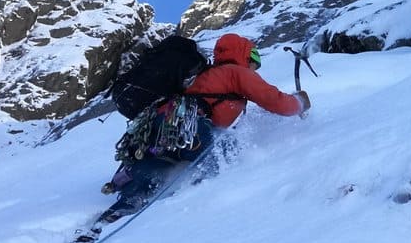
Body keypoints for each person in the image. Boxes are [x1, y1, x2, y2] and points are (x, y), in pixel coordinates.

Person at [102, 33, 309, 214]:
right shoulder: (235, 72)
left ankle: (121, 207)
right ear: (245, 54)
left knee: (153, 172)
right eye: (255, 60)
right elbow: (273, 99)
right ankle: (199, 202)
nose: (256, 67)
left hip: (160, 128)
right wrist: (299, 102)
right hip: (190, 128)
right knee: (227, 150)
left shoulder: (203, 76)